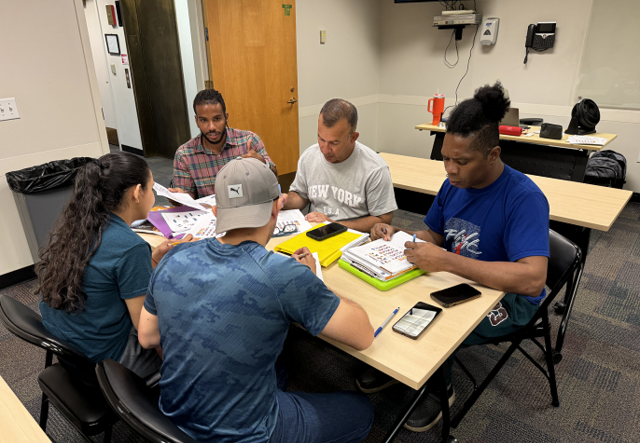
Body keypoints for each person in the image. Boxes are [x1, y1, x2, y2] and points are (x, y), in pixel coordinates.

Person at [356, 82, 550, 432]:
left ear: (493, 154)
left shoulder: (524, 198)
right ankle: (400, 366)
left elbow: (533, 279)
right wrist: (399, 236)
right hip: (462, 278)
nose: (450, 169)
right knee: (393, 294)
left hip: (513, 299)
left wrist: (447, 261)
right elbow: (434, 235)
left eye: (461, 161)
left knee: (436, 320)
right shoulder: (453, 186)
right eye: (445, 158)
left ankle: (439, 389)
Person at [138, 157, 375, 443]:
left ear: (215, 211)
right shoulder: (282, 275)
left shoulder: (172, 255)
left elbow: (148, 338)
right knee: (361, 411)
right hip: (248, 434)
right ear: (277, 207)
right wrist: (310, 281)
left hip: (173, 417)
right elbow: (363, 335)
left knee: (281, 364)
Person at [37, 152, 192, 378]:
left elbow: (108, 276)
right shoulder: (130, 247)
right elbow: (147, 333)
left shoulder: (79, 227)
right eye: (151, 188)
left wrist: (154, 259)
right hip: (106, 361)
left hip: (71, 348)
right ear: (137, 193)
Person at [283, 98, 397, 232]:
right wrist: (284, 201)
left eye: (334, 143)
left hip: (354, 237)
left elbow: (383, 219)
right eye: (321, 139)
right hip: (316, 233)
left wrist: (333, 225)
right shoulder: (309, 156)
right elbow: (301, 195)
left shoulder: (374, 168)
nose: (324, 149)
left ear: (353, 137)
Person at [169, 89, 277, 199]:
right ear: (196, 121)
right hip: (211, 214)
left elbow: (274, 178)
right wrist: (178, 198)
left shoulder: (249, 141)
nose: (211, 127)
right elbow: (188, 196)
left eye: (217, 119)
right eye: (204, 120)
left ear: (226, 117)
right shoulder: (184, 155)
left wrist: (263, 164)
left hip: (249, 208)